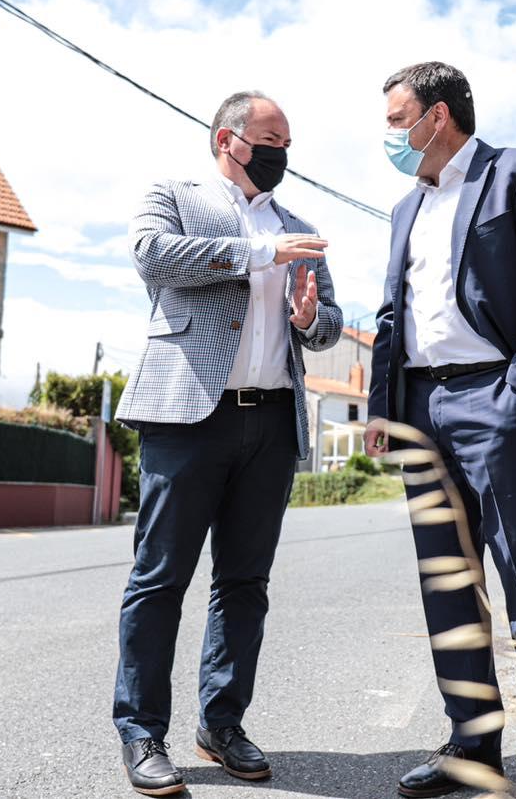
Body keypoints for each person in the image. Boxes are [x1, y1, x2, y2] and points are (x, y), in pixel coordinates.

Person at [363, 62, 516, 799]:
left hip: (495, 397)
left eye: (398, 119)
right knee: (449, 584)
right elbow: (392, 317)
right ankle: (473, 745)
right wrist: (381, 408)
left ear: (438, 116)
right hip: (422, 408)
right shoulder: (405, 209)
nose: (390, 134)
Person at [111, 91, 342, 796]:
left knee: (244, 584)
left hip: (270, 421)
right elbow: (154, 259)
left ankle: (222, 725)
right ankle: (142, 732)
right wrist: (258, 252)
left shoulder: (300, 227)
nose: (282, 154)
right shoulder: (174, 198)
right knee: (160, 579)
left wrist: (310, 321)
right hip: (187, 415)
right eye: (272, 137)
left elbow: (331, 321)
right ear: (228, 139)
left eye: (289, 142)